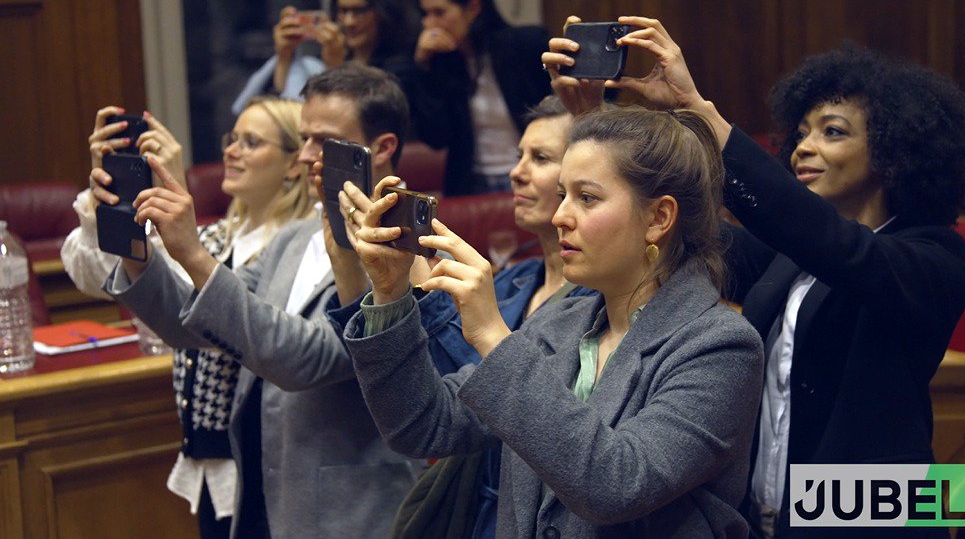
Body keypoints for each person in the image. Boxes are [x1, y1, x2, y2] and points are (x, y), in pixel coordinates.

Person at [550, 18, 965, 537]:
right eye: (800, 133)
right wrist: (597, 124)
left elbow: (836, 247)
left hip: (881, 516)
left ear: (894, 151)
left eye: (832, 132)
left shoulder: (936, 255)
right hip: (769, 515)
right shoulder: (790, 255)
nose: (803, 147)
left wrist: (699, 113)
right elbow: (667, 229)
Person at [339, 106, 764, 537]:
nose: (560, 215)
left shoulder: (720, 346)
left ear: (658, 218)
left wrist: (492, 336)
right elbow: (424, 425)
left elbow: (616, 485)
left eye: (587, 197)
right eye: (562, 194)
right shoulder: (562, 321)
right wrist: (391, 293)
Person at [100, 65, 420, 538]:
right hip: (266, 493)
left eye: (324, 141)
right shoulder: (294, 237)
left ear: (384, 147)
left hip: (351, 512)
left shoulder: (405, 248)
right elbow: (198, 322)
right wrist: (134, 246)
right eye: (305, 138)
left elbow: (307, 358)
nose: (307, 155)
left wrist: (192, 252)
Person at [331, 95, 596, 539]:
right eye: (518, 156)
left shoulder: (599, 303)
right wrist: (392, 280)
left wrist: (418, 282)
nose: (517, 171)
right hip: (473, 509)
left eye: (541, 158)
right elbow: (428, 392)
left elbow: (484, 388)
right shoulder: (515, 280)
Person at [61, 98, 312, 538]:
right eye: (231, 139)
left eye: (251, 143)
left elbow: (206, 317)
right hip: (208, 454)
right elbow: (98, 275)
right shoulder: (217, 234)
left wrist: (173, 197)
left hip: (260, 456)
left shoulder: (294, 249)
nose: (232, 151)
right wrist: (106, 201)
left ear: (295, 164)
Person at [410, 0, 551, 195]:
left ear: (473, 8)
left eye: (439, 13)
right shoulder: (442, 62)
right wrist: (423, 66)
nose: (428, 24)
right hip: (471, 182)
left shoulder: (525, 45)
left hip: (529, 173)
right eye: (425, 14)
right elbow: (436, 138)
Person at [233, 0, 415, 115]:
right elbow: (279, 115)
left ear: (385, 10)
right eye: (343, 10)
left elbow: (352, 122)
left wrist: (335, 69)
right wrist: (284, 57)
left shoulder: (404, 66)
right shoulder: (324, 57)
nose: (349, 21)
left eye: (360, 11)